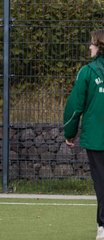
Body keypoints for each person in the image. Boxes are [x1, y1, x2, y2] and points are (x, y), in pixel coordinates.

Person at [64, 29, 104, 240]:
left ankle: (103, 226)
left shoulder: (87, 72)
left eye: (92, 44)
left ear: (99, 46)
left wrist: (70, 133)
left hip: (97, 139)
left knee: (102, 182)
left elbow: (74, 106)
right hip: (97, 138)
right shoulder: (87, 71)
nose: (89, 47)